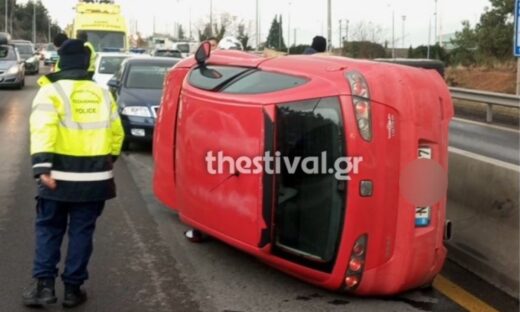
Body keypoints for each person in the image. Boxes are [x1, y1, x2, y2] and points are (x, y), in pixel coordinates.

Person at [23, 39, 124, 308]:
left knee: (49, 229)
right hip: (95, 180)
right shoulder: (102, 93)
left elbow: (43, 129)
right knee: (82, 233)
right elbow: (117, 133)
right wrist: (107, 158)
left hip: (56, 178)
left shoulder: (50, 92)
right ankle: (72, 289)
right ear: (86, 62)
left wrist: (42, 166)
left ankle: (44, 288)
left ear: (60, 62)